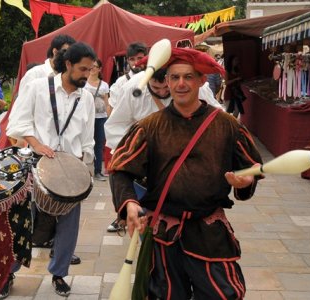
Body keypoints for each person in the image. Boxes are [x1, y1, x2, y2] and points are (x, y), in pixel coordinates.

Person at [108, 47, 263, 299]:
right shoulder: (149, 126)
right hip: (164, 236)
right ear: (167, 81)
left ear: (202, 81)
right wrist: (129, 203)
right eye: (174, 77)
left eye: (188, 77)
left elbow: (252, 167)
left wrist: (245, 181)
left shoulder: (227, 125)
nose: (181, 83)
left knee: (224, 294)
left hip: (210, 233)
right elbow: (120, 169)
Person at [7, 42, 96, 297]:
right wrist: (38, 145)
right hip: (36, 165)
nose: (86, 75)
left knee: (70, 224)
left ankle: (59, 274)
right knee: (23, 223)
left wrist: (84, 166)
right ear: (67, 64)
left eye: (90, 70)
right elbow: (18, 123)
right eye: (82, 69)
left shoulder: (86, 97)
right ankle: (8, 272)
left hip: (71, 167)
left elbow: (88, 137)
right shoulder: (38, 87)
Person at [104, 67, 224, 233]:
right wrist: (137, 150)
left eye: (165, 87)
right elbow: (115, 125)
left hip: (187, 170)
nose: (162, 92)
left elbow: (218, 117)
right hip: (145, 173)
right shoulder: (134, 88)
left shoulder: (195, 87)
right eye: (155, 88)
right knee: (148, 229)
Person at [84, 59, 109, 181]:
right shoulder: (83, 83)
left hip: (101, 118)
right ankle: (83, 171)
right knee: (84, 144)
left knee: (99, 145)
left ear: (99, 69)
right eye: (91, 66)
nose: (92, 69)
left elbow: (107, 102)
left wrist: (109, 118)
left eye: (95, 67)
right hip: (86, 118)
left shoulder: (104, 85)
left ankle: (98, 171)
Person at [108, 41, 147, 114]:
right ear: (128, 61)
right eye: (132, 59)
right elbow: (112, 108)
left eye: (140, 58)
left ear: (146, 58)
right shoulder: (121, 82)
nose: (136, 62)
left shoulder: (152, 79)